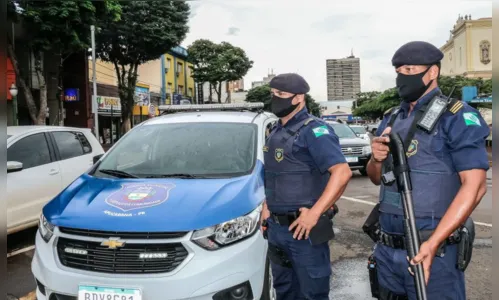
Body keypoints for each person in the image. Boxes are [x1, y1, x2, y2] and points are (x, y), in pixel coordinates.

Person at [365, 41, 489, 299]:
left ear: (432, 72)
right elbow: (377, 178)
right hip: (387, 249)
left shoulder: (456, 116)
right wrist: (376, 160)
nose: (402, 77)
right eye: (399, 70)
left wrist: (433, 244)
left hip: (433, 248)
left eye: (410, 69)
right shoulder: (392, 117)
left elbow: (475, 186)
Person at [260, 73, 352, 300]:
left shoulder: (314, 130)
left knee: (312, 293)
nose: (275, 99)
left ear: (299, 98)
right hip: (277, 228)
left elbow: (342, 172)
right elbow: (274, 174)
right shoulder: (275, 131)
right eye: (273, 94)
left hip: (305, 230)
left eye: (281, 95)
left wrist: (315, 213)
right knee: (284, 291)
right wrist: (266, 206)